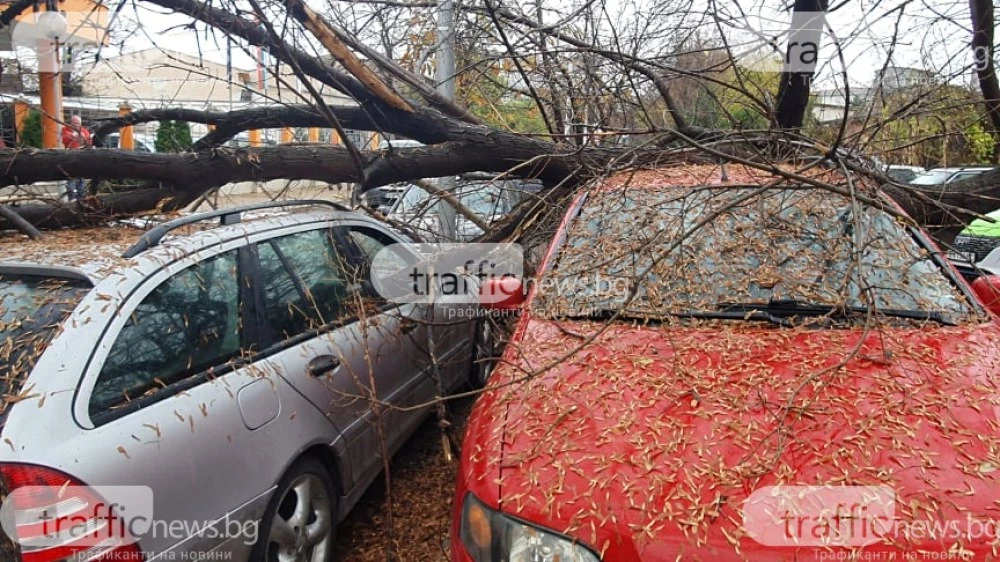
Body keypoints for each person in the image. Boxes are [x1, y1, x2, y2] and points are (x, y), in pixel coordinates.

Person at [61, 115, 92, 201]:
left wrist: (85, 140)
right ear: (71, 123)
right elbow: (65, 139)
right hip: (71, 157)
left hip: (82, 157)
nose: (76, 125)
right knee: (71, 179)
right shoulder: (65, 129)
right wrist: (73, 136)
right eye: (74, 123)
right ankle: (72, 198)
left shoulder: (84, 131)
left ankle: (82, 198)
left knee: (81, 179)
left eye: (78, 123)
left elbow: (89, 142)